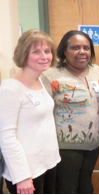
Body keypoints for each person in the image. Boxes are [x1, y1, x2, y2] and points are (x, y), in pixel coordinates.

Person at [41, 30, 99, 194]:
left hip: (94, 145)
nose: (82, 52)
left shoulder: (98, 71)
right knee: (67, 188)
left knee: (86, 186)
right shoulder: (50, 75)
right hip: (65, 147)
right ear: (64, 51)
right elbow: (43, 112)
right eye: (75, 48)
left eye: (86, 47)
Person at [0, 30, 61, 194]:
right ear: (24, 54)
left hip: (47, 164)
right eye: (36, 52)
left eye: (47, 51)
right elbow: (6, 137)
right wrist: (22, 176)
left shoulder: (39, 79)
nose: (44, 56)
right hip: (27, 172)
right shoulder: (10, 88)